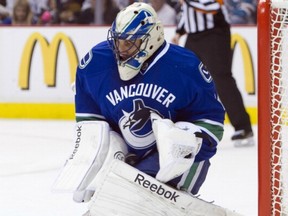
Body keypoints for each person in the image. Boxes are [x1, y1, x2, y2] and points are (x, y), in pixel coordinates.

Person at [55, 2, 225, 215]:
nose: (121, 50)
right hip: (127, 157)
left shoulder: (186, 67)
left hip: (177, 159)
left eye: (130, 43)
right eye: (118, 42)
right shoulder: (95, 65)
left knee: (138, 201)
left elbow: (212, 125)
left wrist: (180, 142)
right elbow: (91, 128)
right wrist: (95, 164)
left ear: (151, 38)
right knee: (113, 203)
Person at [172, 0, 254, 147]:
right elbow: (188, 11)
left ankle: (243, 127)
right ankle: (186, 125)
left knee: (221, 78)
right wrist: (179, 32)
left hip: (214, 33)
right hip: (193, 36)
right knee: (185, 78)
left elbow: (212, 7)